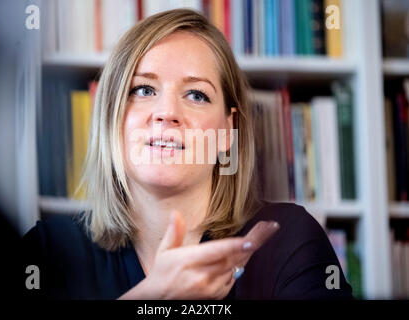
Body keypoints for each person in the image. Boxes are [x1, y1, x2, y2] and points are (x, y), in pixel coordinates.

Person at [22, 9, 353, 300]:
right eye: (143, 90)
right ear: (110, 117)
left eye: (196, 95)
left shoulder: (290, 239)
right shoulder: (49, 251)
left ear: (228, 131)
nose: (167, 113)